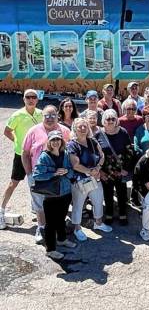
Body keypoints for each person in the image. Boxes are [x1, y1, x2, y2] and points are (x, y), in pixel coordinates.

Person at [22, 105, 71, 243]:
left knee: (58, 204)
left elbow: (72, 152)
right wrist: (29, 173)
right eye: (46, 116)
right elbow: (25, 153)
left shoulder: (65, 131)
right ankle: (42, 227)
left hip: (61, 178)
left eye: (53, 115)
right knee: (39, 203)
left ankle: (56, 229)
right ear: (42, 116)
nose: (49, 118)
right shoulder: (33, 131)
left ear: (58, 116)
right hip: (40, 176)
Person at [0, 89, 42, 231]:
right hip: (21, 155)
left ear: (37, 99)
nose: (31, 99)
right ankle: (1, 210)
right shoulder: (17, 115)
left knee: (38, 181)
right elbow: (7, 131)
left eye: (33, 97)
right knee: (14, 183)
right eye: (28, 97)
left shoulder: (41, 114)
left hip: (36, 155)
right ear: (24, 99)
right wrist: (18, 143)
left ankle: (36, 209)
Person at [32, 130, 76, 260]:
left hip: (65, 192)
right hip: (51, 195)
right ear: (49, 142)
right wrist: (54, 173)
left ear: (61, 141)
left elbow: (72, 172)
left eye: (58, 139)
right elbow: (37, 175)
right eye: (53, 140)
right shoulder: (44, 156)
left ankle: (62, 239)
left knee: (61, 218)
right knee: (50, 223)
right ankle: (50, 249)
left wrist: (67, 171)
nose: (56, 142)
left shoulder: (66, 154)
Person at [68, 118, 111, 242]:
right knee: (78, 205)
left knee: (98, 200)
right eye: (80, 126)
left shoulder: (92, 141)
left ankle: (98, 223)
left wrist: (98, 168)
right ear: (75, 129)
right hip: (80, 180)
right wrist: (90, 171)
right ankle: (77, 228)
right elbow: (75, 164)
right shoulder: (72, 145)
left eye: (85, 126)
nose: (82, 129)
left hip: (95, 177)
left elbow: (102, 155)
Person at [96, 109, 135, 226]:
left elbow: (129, 151)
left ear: (116, 120)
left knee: (122, 192)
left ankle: (122, 212)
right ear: (103, 121)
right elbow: (95, 154)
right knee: (107, 193)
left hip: (120, 170)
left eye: (113, 119)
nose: (111, 121)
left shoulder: (122, 132)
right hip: (106, 170)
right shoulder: (98, 134)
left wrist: (126, 169)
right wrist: (100, 171)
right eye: (108, 119)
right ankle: (109, 213)